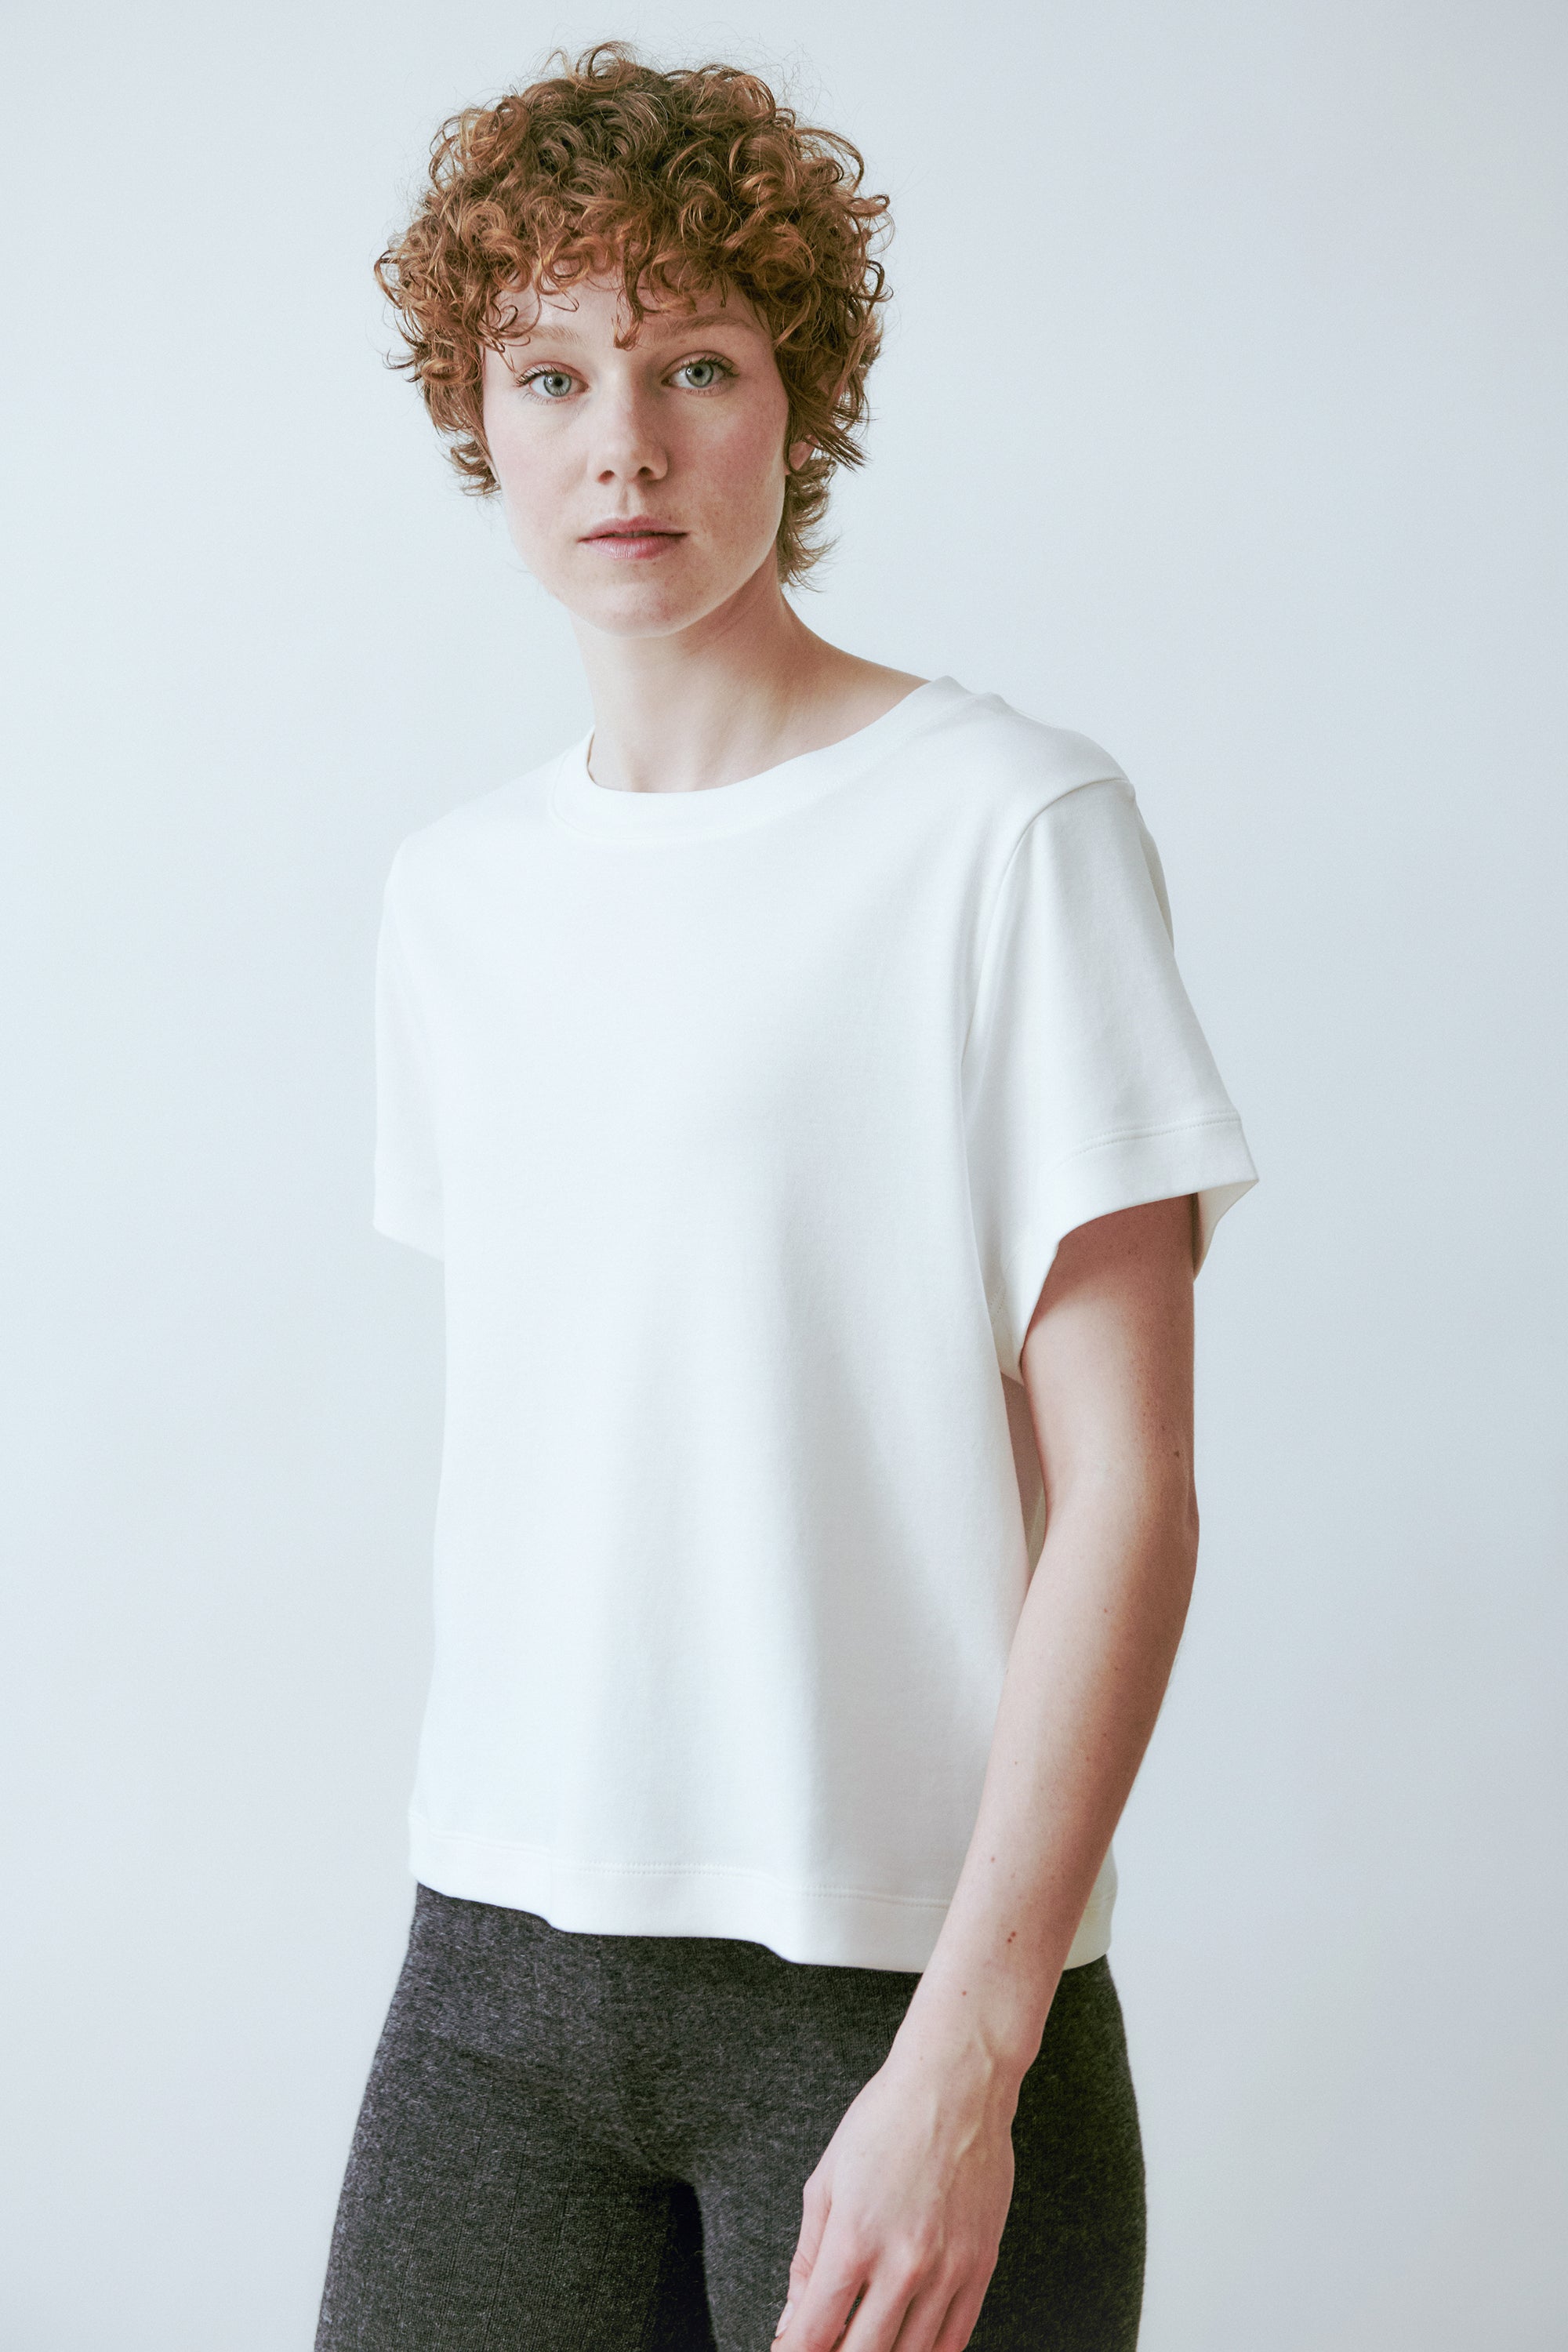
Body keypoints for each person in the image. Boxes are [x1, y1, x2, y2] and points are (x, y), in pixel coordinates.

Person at [316, 42, 1258, 2352]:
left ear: (798, 399)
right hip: (494, 1970)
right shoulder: (455, 896)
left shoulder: (1005, 832)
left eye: (697, 366)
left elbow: (1129, 1491)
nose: (622, 445)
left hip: (891, 1978)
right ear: (478, 419)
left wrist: (970, 2055)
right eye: (552, 375)